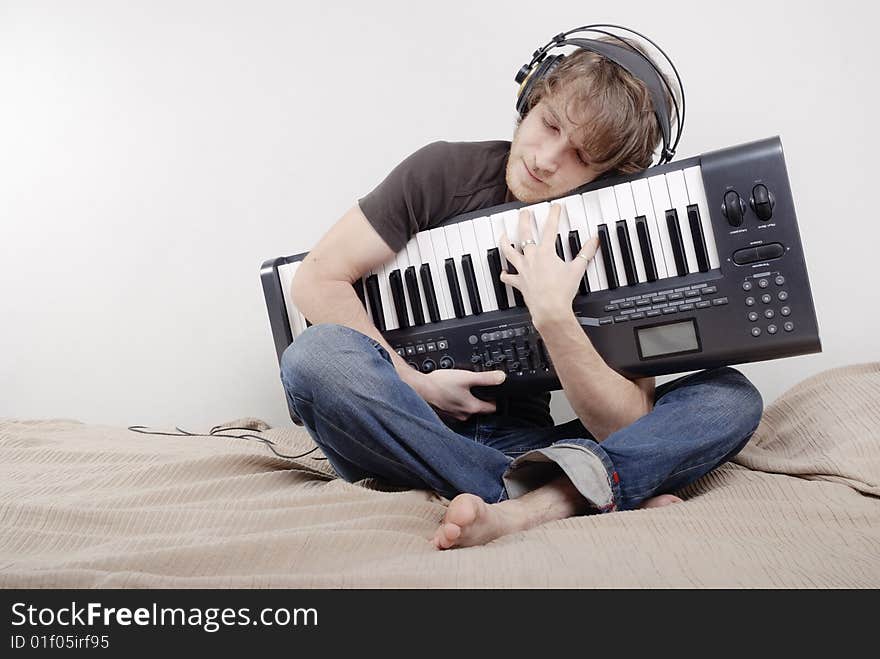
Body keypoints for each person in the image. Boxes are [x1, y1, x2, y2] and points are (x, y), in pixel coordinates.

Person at [279, 33, 764, 550]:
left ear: (611, 175)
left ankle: (531, 501)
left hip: (529, 440)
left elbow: (624, 422)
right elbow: (317, 278)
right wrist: (416, 384)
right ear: (529, 99)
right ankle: (567, 491)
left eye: (581, 156)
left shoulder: (621, 233)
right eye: (549, 125)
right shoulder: (442, 172)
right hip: (410, 426)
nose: (548, 159)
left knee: (728, 397)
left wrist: (555, 316)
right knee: (313, 357)